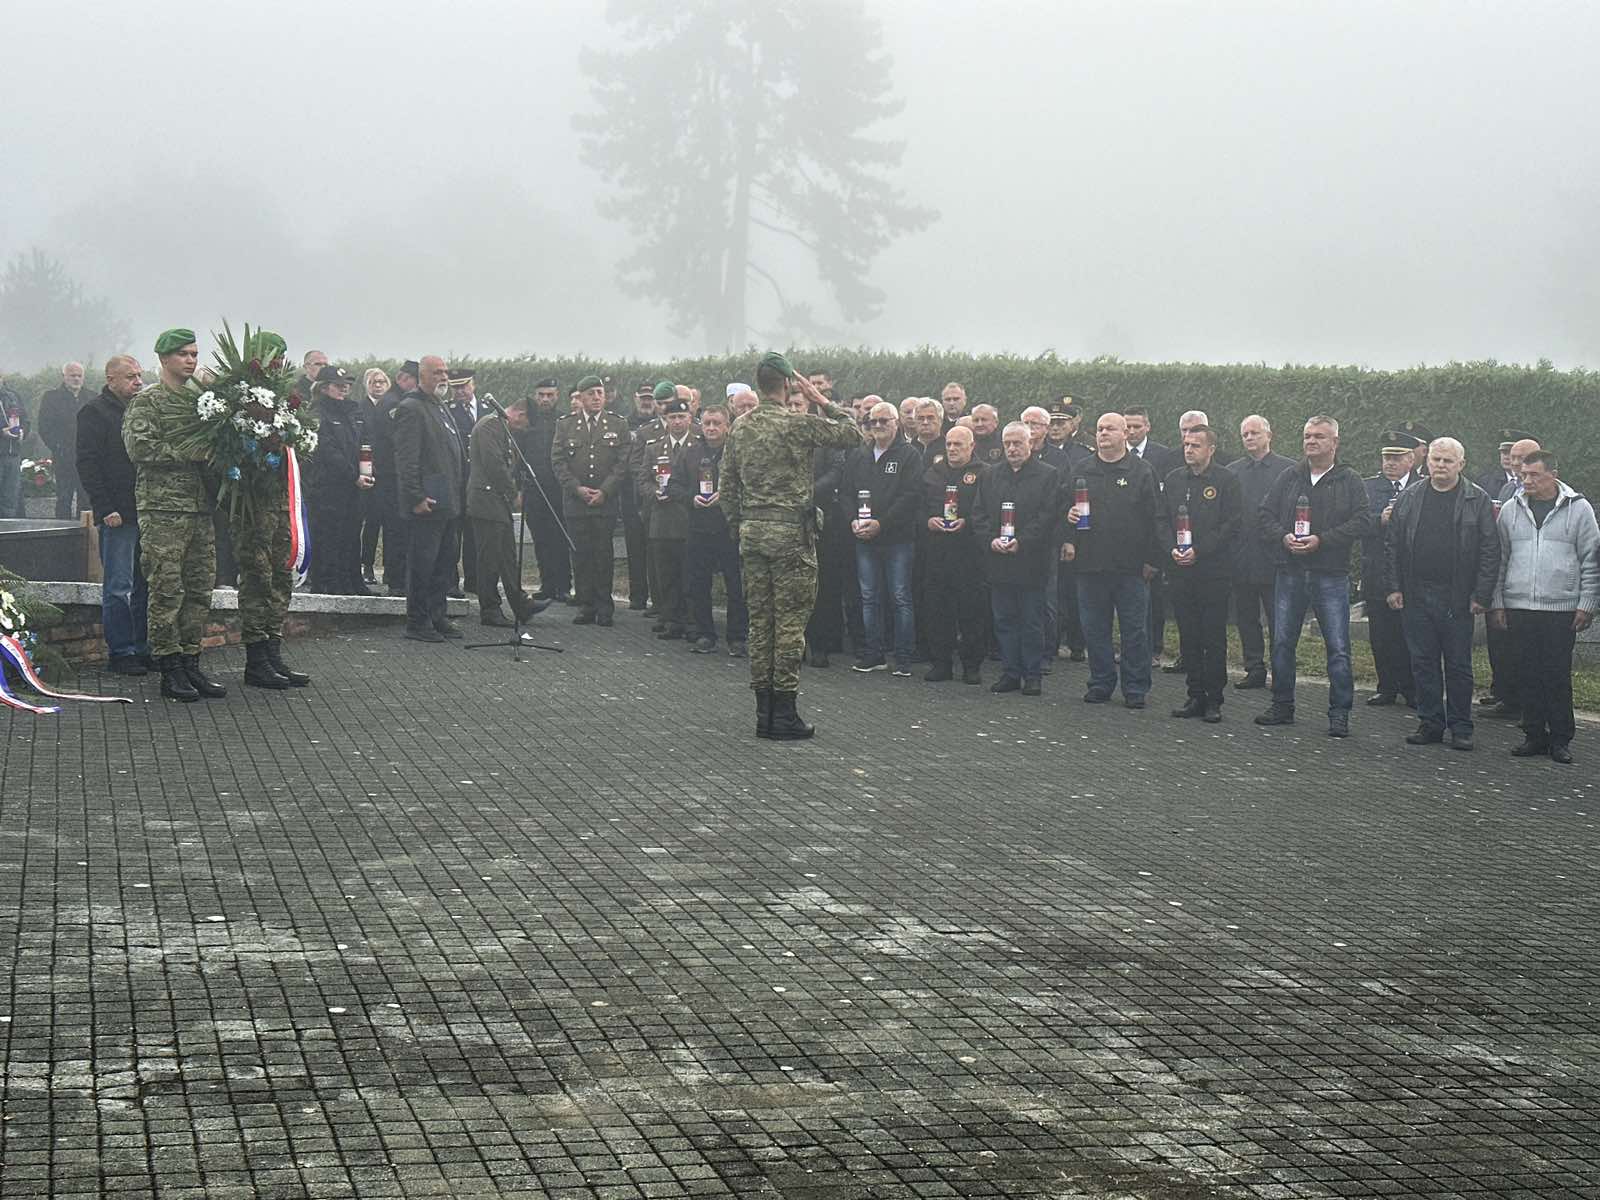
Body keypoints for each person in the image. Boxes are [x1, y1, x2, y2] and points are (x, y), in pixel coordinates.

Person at [721, 353, 862, 739]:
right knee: (789, 624)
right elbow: (852, 433)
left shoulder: (740, 427)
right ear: (787, 385)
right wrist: (820, 399)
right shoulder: (797, 424)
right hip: (790, 538)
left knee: (760, 624)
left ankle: (762, 712)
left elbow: (726, 486)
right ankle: (783, 713)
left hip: (753, 534)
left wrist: (740, 528)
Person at [122, 328, 224, 702]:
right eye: (183, 354)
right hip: (163, 509)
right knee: (166, 590)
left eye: (194, 354)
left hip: (199, 509)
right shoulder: (148, 401)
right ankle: (169, 667)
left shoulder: (201, 402)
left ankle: (190, 661)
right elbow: (139, 448)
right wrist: (190, 453)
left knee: (199, 589)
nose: (191, 360)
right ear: (164, 358)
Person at [1254, 415, 1370, 737]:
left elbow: (1363, 521)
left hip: (1330, 574)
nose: (1311, 441)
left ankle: (1339, 713)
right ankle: (1282, 705)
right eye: (1307, 436)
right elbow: (1264, 514)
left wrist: (1324, 540)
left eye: (1319, 436)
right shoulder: (1289, 477)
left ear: (1335, 442)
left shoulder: (1349, 480)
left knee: (1338, 647)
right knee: (1281, 642)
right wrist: (1283, 537)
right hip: (1290, 571)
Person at [1384, 437, 1498, 752]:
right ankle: (1430, 723)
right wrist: (1393, 587)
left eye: (1448, 461)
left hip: (1457, 596)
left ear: (1461, 464)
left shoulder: (1477, 499)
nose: (1441, 466)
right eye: (1436, 459)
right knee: (1423, 662)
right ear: (1427, 462)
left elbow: (1490, 549)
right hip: (1416, 593)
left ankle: (1461, 727)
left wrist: (1482, 594)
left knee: (1458, 665)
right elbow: (1393, 544)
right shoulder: (1410, 497)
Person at [1491, 450, 1599, 764]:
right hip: (1520, 605)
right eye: (1523, 475)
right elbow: (1500, 559)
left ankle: (1561, 738)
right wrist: (1498, 602)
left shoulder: (1579, 509)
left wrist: (1587, 603)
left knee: (1556, 674)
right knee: (1527, 673)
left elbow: (1591, 560)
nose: (1527, 481)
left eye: (1534, 475)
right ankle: (1534, 734)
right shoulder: (1510, 509)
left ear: (1553, 474)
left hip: (1560, 608)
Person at [1065, 412, 1163, 708]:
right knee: (1095, 629)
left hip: (1131, 567)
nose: (1103, 433)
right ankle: (1100, 682)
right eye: (1099, 429)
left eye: (1110, 428)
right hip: (1090, 564)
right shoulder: (1081, 470)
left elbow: (1156, 519)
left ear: (1125, 434)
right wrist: (1068, 520)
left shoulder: (1142, 471)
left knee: (1134, 630)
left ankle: (1135, 687)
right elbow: (1063, 508)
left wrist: (1152, 560)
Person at [230, 331, 309, 690]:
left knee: (280, 577)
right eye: (272, 357)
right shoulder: (239, 397)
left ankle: (273, 651)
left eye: (281, 358)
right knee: (257, 578)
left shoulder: (281, 398)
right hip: (253, 506)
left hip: (280, 503)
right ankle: (256, 659)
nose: (278, 364)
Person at [76, 354, 150, 674]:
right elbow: (88, 463)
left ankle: (142, 647)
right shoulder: (94, 412)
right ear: (111, 380)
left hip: (146, 510)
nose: (138, 381)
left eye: (139, 375)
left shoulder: (143, 408)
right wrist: (105, 507)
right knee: (119, 586)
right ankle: (121, 652)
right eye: (131, 377)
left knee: (145, 584)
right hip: (118, 513)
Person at [972, 422, 1058, 694]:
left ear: (1030, 443)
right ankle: (1010, 672)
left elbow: (1047, 516)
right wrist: (990, 540)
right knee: (1004, 620)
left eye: (1017, 443)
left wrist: (1022, 541)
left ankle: (1032, 675)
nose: (1012, 448)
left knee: (1031, 621)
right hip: (999, 560)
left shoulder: (1048, 475)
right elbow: (978, 514)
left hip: (1031, 560)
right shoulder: (990, 475)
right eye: (1007, 443)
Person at [1163, 425, 1242, 722]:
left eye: (1195, 445)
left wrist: (1200, 550)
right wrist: (1171, 548)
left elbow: (1231, 524)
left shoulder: (1226, 480)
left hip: (1213, 571)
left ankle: (1214, 699)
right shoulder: (1173, 479)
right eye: (1186, 444)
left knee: (1213, 637)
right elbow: (1161, 519)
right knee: (1189, 635)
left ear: (1211, 449)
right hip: (1181, 570)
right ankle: (1194, 694)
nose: (1189, 450)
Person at [843, 400, 921, 676]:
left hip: (898, 539)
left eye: (883, 420)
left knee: (900, 597)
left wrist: (881, 524)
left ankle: (903, 657)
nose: (877, 425)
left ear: (896, 423)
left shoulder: (909, 455)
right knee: (869, 597)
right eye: (872, 421)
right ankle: (874, 654)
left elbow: (910, 496)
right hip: (864, 538)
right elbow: (846, 492)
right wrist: (853, 519)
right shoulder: (859, 455)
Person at [394, 355, 467, 642]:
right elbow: (406, 459)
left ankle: (438, 616)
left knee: (444, 564)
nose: (444, 377)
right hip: (427, 502)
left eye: (445, 372)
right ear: (422, 376)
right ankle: (417, 622)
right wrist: (416, 496)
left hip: (447, 502)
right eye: (437, 372)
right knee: (422, 565)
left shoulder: (439, 406)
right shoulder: (411, 408)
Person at [552, 374, 630, 627]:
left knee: (603, 554)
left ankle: (604, 606)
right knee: (581, 554)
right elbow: (558, 462)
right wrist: (577, 489)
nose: (596, 397)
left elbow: (622, 463)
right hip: (576, 502)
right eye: (590, 393)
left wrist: (605, 491)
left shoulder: (618, 424)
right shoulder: (565, 425)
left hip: (605, 502)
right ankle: (586, 604)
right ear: (581, 397)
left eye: (600, 393)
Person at [466, 395, 549, 628]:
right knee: (490, 558)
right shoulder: (490, 426)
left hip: (496, 502)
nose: (522, 429)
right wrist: (513, 494)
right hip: (486, 501)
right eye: (524, 425)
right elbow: (494, 465)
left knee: (507, 557)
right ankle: (490, 609)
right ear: (520, 415)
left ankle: (520, 604)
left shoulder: (502, 427)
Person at [1226, 415, 1294, 689]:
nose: (1250, 438)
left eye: (1255, 433)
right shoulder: (1232, 471)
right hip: (1241, 557)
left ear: (1269, 435)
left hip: (1275, 557)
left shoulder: (1288, 470)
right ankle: (1254, 667)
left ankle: (1281, 671)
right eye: (1245, 434)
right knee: (1246, 618)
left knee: (1279, 620)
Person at [673, 404, 747, 656]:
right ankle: (705, 634)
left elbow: (750, 484)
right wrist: (691, 498)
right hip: (699, 527)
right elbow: (674, 485)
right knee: (699, 583)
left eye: (717, 423)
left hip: (729, 527)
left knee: (735, 584)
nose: (711, 428)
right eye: (707, 423)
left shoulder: (738, 451)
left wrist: (726, 496)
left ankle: (737, 637)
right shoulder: (690, 452)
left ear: (728, 426)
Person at [919, 425, 988, 684]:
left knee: (972, 611)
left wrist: (967, 523)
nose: (952, 449)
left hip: (969, 553)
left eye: (958, 444)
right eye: (949, 444)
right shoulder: (933, 473)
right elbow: (918, 506)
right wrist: (928, 520)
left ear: (972, 446)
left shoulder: (984, 473)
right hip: (937, 552)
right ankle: (941, 663)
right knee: (938, 610)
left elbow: (987, 511)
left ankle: (971, 666)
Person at [1480, 435, 1541, 715]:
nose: (1515, 463)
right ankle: (1504, 692)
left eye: (1521, 458)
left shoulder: (1543, 490)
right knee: (1500, 638)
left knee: (1523, 645)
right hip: (1502, 569)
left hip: (1528, 574)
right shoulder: (1507, 487)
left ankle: (1521, 701)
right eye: (1513, 457)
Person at [1361, 436, 1420, 708]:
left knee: (1409, 634)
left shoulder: (1423, 486)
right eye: (1387, 458)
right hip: (1377, 571)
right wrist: (1379, 520)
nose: (1390, 464)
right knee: (1381, 634)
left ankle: (1412, 688)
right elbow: (1356, 523)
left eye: (1397, 458)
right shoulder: (1369, 487)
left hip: (1410, 573)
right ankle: (1386, 686)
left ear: (1411, 459)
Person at [635, 391, 696, 639]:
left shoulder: (698, 446)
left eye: (682, 416)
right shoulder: (654, 448)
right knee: (666, 574)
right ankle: (670, 619)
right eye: (673, 417)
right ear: (666, 420)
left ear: (690, 418)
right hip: (661, 520)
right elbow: (643, 479)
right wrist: (654, 493)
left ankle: (691, 620)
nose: (677, 422)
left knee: (689, 574)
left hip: (688, 519)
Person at [305, 365, 370, 595]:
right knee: (328, 535)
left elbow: (363, 443)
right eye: (338, 385)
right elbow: (327, 450)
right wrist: (353, 475)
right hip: (328, 486)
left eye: (347, 385)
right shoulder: (317, 413)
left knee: (352, 534)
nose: (344, 389)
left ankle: (352, 579)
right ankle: (327, 581)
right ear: (324, 388)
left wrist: (366, 471)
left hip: (353, 486)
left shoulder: (353, 411)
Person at [1124, 406, 1179, 668]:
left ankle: (1154, 648)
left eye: (1137, 426)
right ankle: (1129, 648)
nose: (1132, 431)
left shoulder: (1163, 456)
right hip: (1124, 543)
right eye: (1128, 426)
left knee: (1154, 599)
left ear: (1148, 427)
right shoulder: (1113, 454)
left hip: (1152, 538)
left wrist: (1157, 552)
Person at [513, 377, 572, 604]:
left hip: (559, 490)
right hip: (534, 490)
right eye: (541, 395)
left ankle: (563, 586)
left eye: (549, 395)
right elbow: (518, 458)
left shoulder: (565, 421)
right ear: (535, 396)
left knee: (560, 538)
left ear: (557, 396)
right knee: (541, 539)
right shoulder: (527, 423)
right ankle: (547, 585)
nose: (545, 399)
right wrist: (518, 489)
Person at [1047, 398, 1093, 662]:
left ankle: (1077, 643)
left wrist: (1070, 537)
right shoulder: (1039, 452)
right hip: (1049, 530)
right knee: (1053, 592)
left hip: (1076, 530)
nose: (1055, 427)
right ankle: (1052, 642)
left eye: (1061, 422)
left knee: (1074, 590)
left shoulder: (1083, 454)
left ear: (1072, 424)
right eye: (1052, 422)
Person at [370, 360, 417, 595]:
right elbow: (398, 439)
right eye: (415, 381)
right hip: (390, 476)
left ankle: (395, 576)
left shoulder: (396, 400)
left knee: (397, 529)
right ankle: (396, 580)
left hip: (392, 474)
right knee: (396, 529)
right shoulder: (394, 403)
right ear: (402, 378)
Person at [446, 368, 486, 598]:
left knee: (475, 534)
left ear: (473, 385)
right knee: (453, 534)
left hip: (480, 482)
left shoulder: (488, 409)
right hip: (458, 481)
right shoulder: (447, 411)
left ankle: (475, 579)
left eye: (464, 386)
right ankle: (451, 581)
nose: (460, 391)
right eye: (456, 387)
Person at [621, 383, 660, 612]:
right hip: (631, 494)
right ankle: (637, 595)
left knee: (655, 549)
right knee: (635, 548)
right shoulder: (624, 424)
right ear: (635, 398)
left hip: (654, 495)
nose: (647, 402)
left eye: (650, 398)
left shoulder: (662, 424)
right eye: (643, 398)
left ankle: (658, 598)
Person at [38, 362, 92, 519]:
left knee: (87, 499)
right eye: (72, 375)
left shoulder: (92, 397)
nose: (76, 379)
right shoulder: (51, 398)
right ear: (64, 377)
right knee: (64, 497)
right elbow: (44, 426)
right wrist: (57, 447)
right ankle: (61, 531)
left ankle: (85, 532)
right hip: (63, 457)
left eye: (79, 376)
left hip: (87, 457)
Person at [357, 367, 391, 586]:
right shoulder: (360, 408)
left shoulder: (394, 406)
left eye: (381, 382)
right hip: (369, 472)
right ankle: (367, 565)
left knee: (391, 524)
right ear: (366, 386)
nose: (378, 385)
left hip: (390, 473)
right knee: (372, 522)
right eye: (373, 382)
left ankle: (390, 568)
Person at [1, 376, 28, 519]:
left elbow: (25, 420)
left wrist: (23, 431)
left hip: (13, 456)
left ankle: (8, 531)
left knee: (10, 501)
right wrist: (1, 433)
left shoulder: (13, 397)